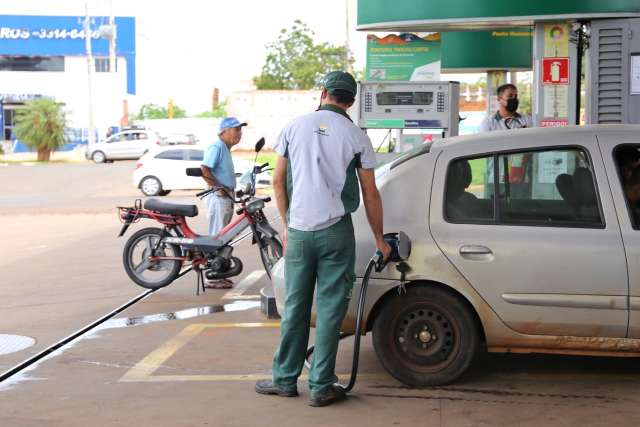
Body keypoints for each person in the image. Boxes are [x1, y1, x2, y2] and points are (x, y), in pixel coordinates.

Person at [255, 71, 391, 407]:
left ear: (324, 92)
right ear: (351, 100)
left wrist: (287, 227)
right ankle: (321, 385)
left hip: (300, 231)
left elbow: (277, 181)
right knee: (331, 311)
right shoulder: (357, 136)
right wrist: (380, 239)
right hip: (336, 232)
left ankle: (284, 380)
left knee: (295, 308)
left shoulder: (294, 126)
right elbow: (370, 193)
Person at [200, 117, 246, 289]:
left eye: (240, 130)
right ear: (223, 131)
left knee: (223, 236)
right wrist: (219, 188)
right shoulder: (217, 146)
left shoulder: (224, 148)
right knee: (218, 237)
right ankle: (212, 277)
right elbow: (204, 169)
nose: (239, 134)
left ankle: (220, 273)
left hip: (225, 197)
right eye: (236, 130)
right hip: (218, 198)